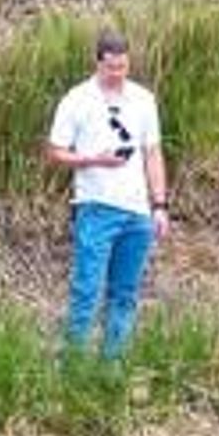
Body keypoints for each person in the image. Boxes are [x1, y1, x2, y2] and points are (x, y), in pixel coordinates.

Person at [43, 28, 169, 359]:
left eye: (123, 67)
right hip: (96, 206)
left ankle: (112, 366)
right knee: (87, 288)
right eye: (111, 68)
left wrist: (159, 205)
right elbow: (55, 152)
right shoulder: (77, 99)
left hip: (137, 211)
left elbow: (153, 153)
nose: (118, 74)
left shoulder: (143, 99)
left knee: (125, 293)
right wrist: (92, 159)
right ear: (97, 63)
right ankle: (73, 366)